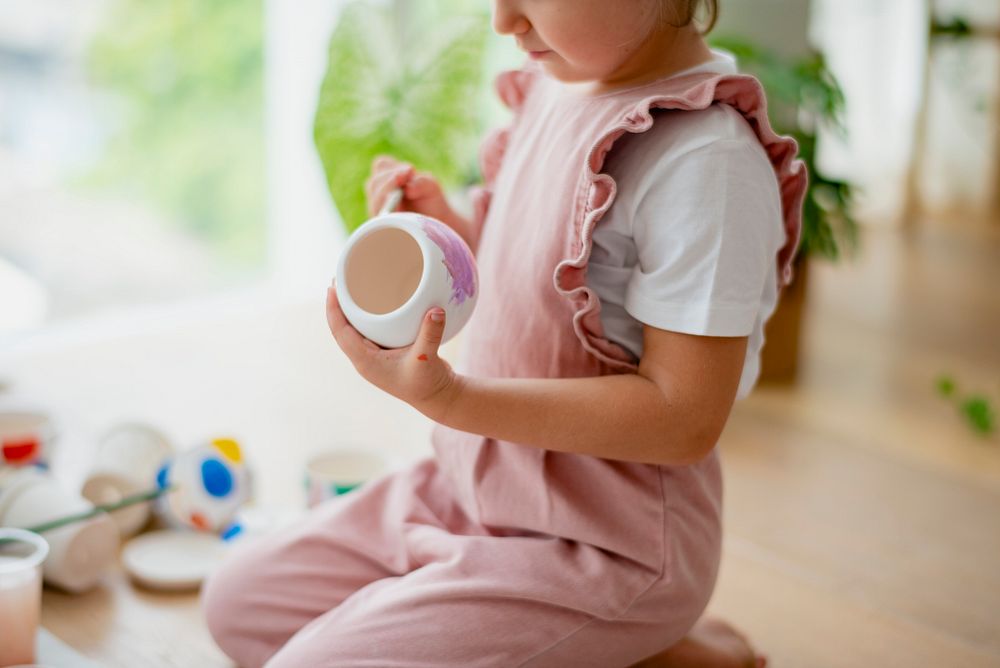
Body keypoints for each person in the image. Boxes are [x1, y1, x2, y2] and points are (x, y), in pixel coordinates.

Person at [201, 1, 807, 666]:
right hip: (475, 491)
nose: (503, 21)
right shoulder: (559, 80)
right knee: (238, 603)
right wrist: (453, 232)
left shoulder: (704, 161)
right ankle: (598, 647)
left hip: (605, 545)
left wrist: (452, 401)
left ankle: (633, 632)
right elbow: (542, 277)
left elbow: (683, 418)